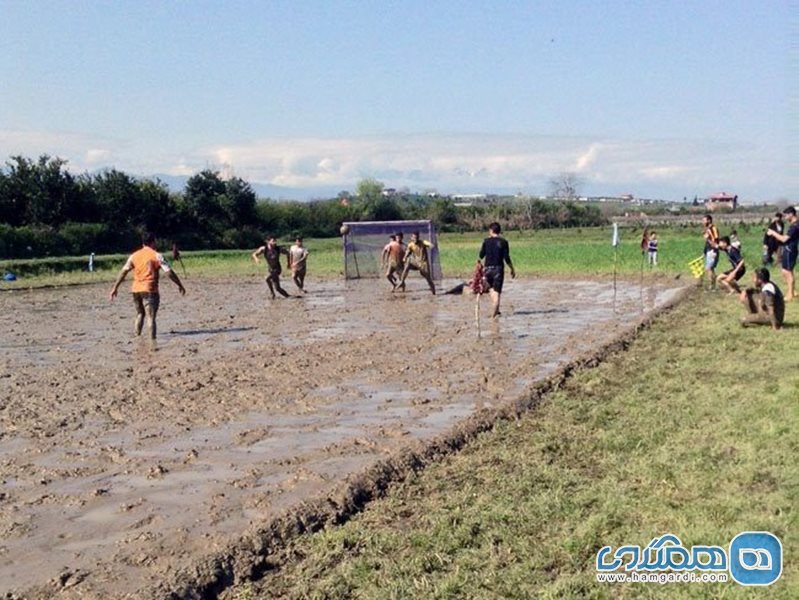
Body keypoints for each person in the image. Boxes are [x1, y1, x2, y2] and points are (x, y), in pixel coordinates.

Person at [109, 232, 186, 342]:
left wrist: (115, 288)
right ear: (153, 242)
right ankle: (152, 342)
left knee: (140, 314)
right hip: (150, 290)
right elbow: (169, 272)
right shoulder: (156, 255)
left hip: (136, 290)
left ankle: (137, 337)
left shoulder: (134, 256)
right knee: (151, 317)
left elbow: (124, 272)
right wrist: (180, 284)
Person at [479, 222, 516, 318]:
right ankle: (494, 314)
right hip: (498, 270)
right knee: (497, 293)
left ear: (491, 230)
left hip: (487, 269)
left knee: (491, 289)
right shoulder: (504, 242)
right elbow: (506, 257)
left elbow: (481, 255)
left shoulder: (486, 241)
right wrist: (512, 268)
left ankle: (497, 311)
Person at [765, 206, 799, 301]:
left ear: (791, 214)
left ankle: (790, 294)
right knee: (787, 271)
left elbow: (784, 239)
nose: (785, 218)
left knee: (787, 272)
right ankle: (793, 291)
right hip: (789, 249)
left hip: (790, 250)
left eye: (786, 215)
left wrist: (773, 233)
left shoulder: (794, 226)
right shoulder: (794, 224)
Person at [701, 214, 720, 289]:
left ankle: (712, 285)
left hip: (713, 251)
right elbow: (707, 242)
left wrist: (708, 239)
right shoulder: (707, 229)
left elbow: (716, 240)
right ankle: (712, 285)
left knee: (708, 268)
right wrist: (704, 252)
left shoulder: (713, 228)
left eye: (704, 220)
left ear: (709, 220)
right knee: (710, 268)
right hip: (709, 251)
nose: (702, 222)